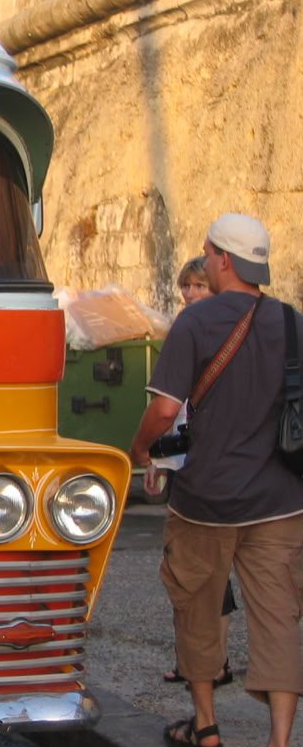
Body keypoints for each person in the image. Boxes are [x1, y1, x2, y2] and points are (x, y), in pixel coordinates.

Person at [129, 213, 303, 747]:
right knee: (279, 618)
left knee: (197, 606)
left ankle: (205, 725)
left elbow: (163, 411)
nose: (204, 261)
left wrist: (140, 451)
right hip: (280, 500)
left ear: (224, 260)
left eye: (207, 253)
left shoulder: (197, 321)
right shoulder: (293, 323)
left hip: (205, 499)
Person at [159, 255, 235, 688]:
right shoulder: (184, 328)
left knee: (211, 570)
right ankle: (194, 661)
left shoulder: (216, 333)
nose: (190, 294)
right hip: (184, 458)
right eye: (186, 286)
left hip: (211, 462)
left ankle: (214, 663)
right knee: (183, 567)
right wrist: (160, 460)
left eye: (199, 286)